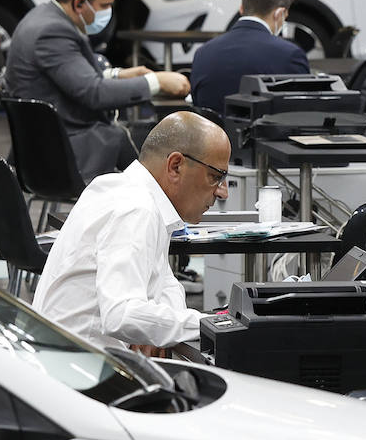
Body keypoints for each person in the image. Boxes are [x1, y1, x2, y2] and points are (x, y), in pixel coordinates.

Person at [31, 111, 230, 353]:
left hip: (65, 358)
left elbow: (164, 281)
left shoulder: (123, 190)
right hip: (81, 372)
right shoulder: (137, 209)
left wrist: (154, 329)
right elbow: (121, 315)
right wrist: (210, 324)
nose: (223, 192)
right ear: (175, 166)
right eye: (215, 177)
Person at [6, 0, 190, 182]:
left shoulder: (41, 17)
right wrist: (157, 82)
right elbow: (93, 93)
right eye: (104, 6)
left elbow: (68, 75)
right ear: (79, 3)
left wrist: (117, 75)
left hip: (45, 147)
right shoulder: (52, 32)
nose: (109, 12)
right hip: (64, 154)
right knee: (159, 147)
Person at [189, 0, 309, 117]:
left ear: (241, 8)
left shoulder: (203, 53)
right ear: (279, 14)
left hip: (213, 138)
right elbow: (301, 115)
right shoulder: (289, 55)